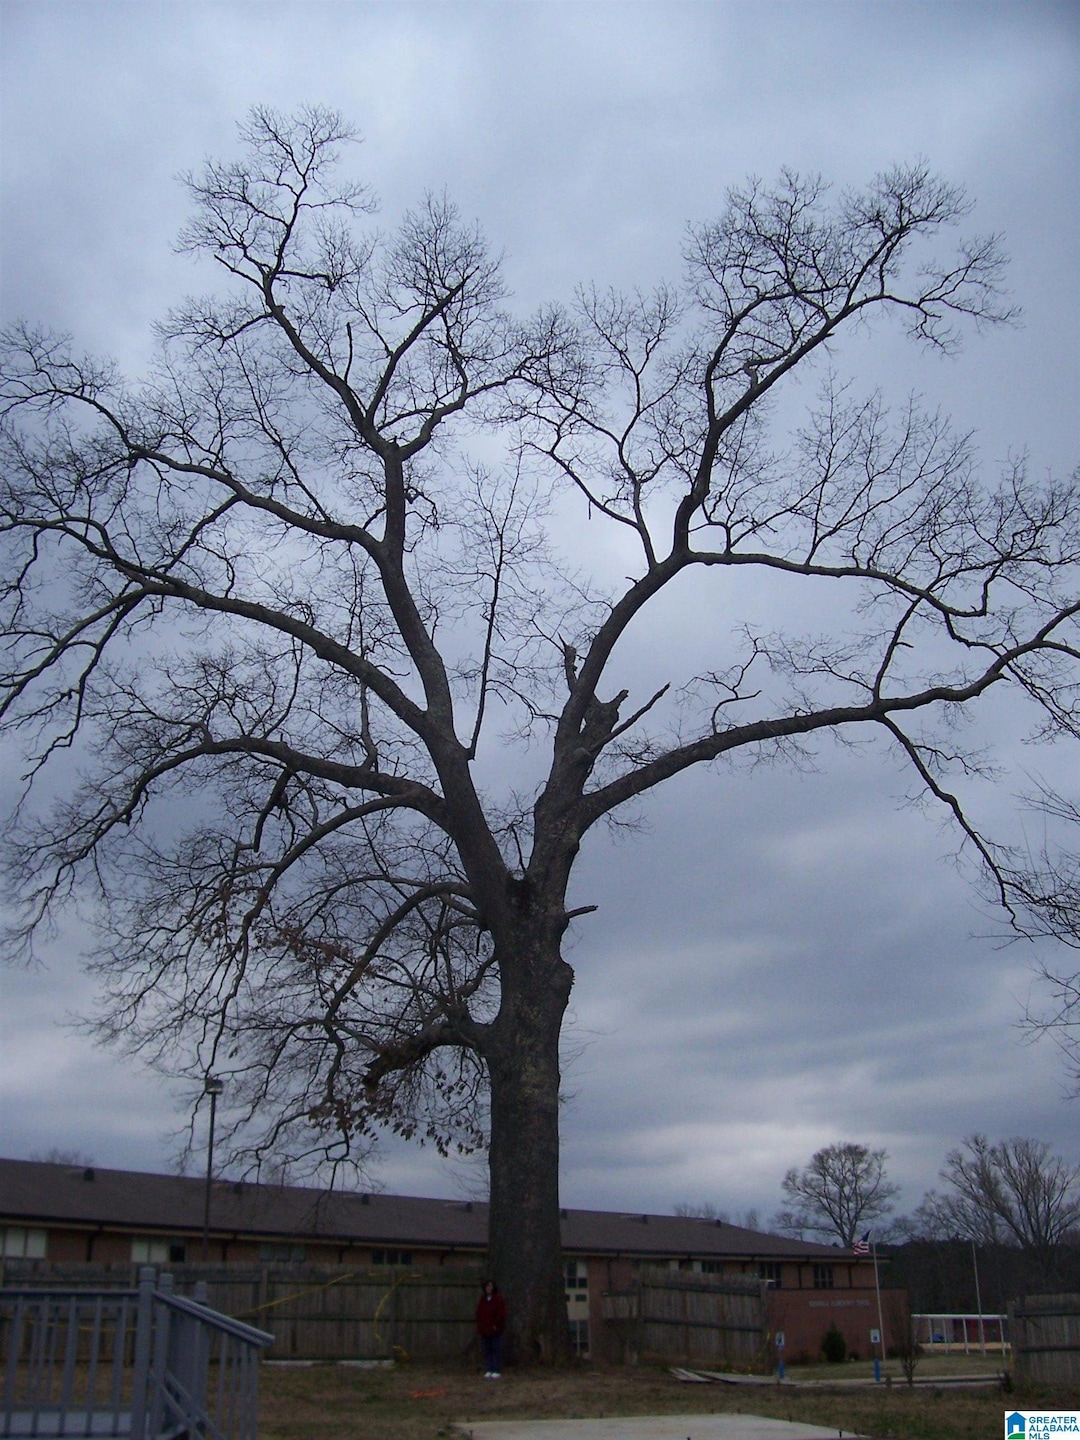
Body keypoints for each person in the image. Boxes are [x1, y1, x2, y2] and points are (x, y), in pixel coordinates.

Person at [475, 1278, 507, 1377]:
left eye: (490, 1286)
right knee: (487, 1350)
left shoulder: (498, 1298)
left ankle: (496, 1369)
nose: (489, 1288)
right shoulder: (483, 1299)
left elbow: (501, 1313)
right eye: (487, 1286)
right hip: (485, 1329)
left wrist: (496, 1324)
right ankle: (489, 1369)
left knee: (495, 1349)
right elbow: (479, 1313)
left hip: (495, 1329)